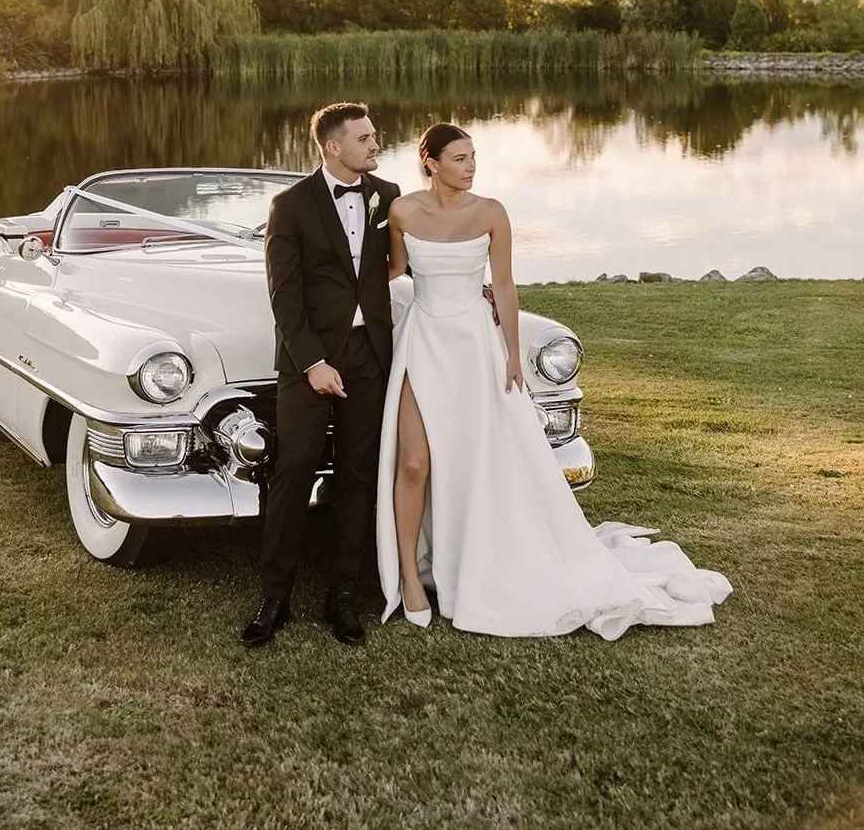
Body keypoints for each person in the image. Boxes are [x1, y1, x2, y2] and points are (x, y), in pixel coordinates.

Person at [375, 123, 732, 639]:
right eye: (459, 158)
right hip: (424, 341)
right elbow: (394, 270)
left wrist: (512, 354)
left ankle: (478, 558)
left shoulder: (492, 212)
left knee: (479, 459)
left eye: (473, 157)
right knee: (413, 463)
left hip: (476, 346)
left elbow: (503, 284)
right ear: (430, 162)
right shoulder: (403, 211)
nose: (471, 167)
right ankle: (410, 575)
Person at [241, 102, 402, 647]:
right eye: (364, 138)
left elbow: (412, 257)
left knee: (358, 474)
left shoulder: (388, 196)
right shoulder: (290, 205)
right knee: (293, 471)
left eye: (374, 136)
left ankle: (344, 596)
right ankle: (274, 598)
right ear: (333, 146)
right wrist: (313, 363)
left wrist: (479, 285)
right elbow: (283, 294)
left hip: (370, 354)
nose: (374, 145)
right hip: (308, 360)